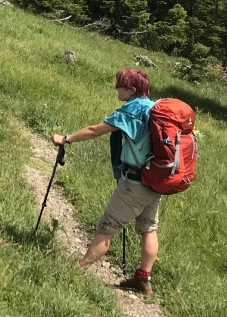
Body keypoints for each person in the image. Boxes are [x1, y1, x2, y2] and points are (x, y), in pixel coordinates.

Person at [51, 68, 161, 296]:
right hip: (156, 180)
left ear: (131, 90)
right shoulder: (155, 108)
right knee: (149, 228)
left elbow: (94, 131)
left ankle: (75, 271)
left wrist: (65, 138)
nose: (116, 89)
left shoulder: (132, 111)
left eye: (120, 85)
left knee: (108, 226)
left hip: (134, 182)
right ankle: (143, 279)